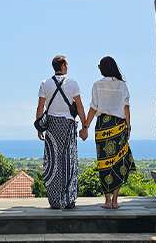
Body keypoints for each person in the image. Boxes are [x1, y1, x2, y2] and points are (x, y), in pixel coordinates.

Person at [81, 55, 135, 210]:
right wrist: (128, 126)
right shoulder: (122, 85)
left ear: (103, 69)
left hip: (103, 126)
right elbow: (126, 107)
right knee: (118, 162)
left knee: (104, 163)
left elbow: (93, 108)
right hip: (119, 125)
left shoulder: (97, 85)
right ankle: (115, 200)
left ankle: (107, 200)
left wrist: (86, 126)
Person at [35, 54, 87, 210]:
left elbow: (40, 107)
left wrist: (39, 128)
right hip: (68, 125)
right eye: (67, 64)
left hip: (51, 126)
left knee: (53, 162)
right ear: (63, 65)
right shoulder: (73, 83)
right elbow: (80, 107)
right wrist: (84, 126)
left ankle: (55, 200)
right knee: (69, 162)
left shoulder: (45, 83)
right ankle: (69, 199)